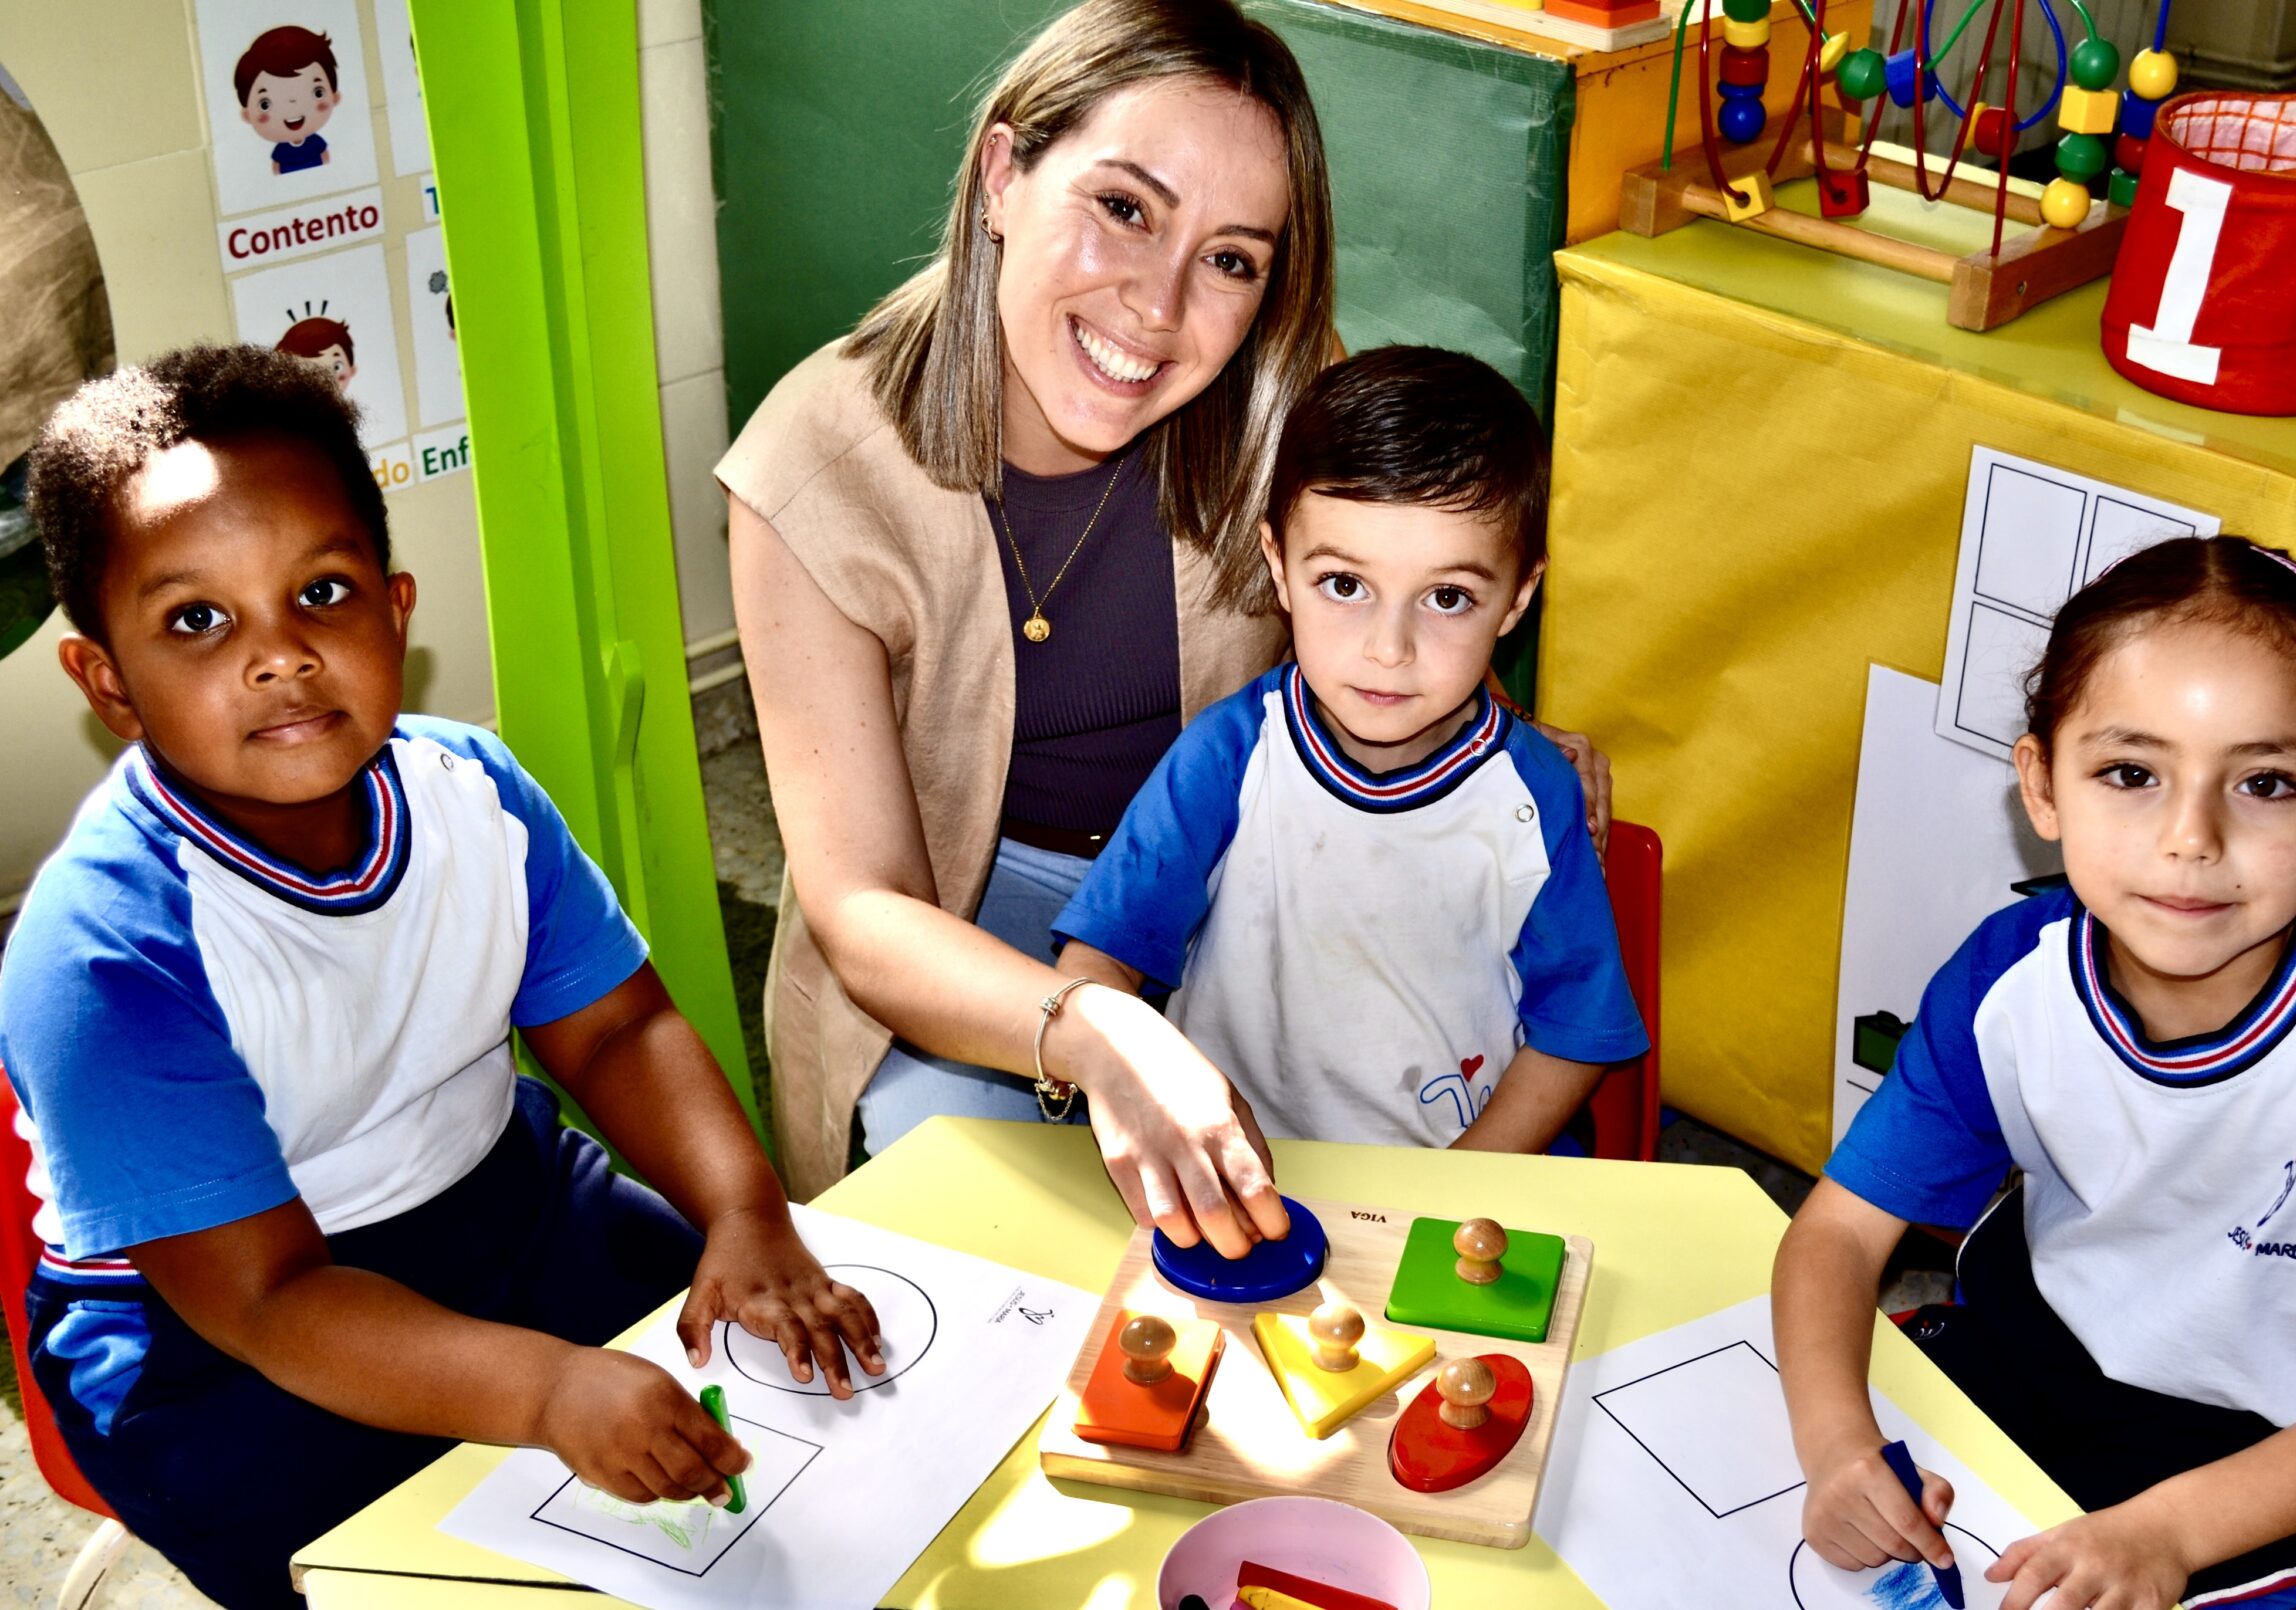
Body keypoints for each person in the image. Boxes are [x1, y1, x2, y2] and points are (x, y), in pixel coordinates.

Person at [3, 345, 884, 1610]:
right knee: (436, 1578)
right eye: (197, 619)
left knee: (787, 1416)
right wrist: (539, 1385)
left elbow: (618, 1030)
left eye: (322, 592)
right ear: (108, 684)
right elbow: (266, 1297)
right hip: (215, 1333)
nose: (280, 656)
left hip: (504, 1200)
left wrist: (746, 1209)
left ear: (397, 608)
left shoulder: (473, 790)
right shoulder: (102, 955)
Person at [720, 0, 1615, 1234]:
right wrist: (1092, 1030)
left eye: (1233, 258)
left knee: (1310, 1219)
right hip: (956, 940)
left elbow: (1389, 574)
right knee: (1010, 1259)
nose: (1157, 304)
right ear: (1000, 174)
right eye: (1124, 208)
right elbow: (864, 908)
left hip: (1238, 875)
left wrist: (1499, 732)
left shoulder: (1280, 395)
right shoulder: (813, 467)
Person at [1772, 537, 2296, 1610]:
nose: (2191, 838)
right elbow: (1836, 1233)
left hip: (2270, 1449)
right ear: (2040, 782)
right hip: (2031, 1350)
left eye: (2265, 782)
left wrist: (2167, 1531)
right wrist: (1835, 1446)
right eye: (2131, 772)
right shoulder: (2008, 975)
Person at [1053, 347, 1644, 1151]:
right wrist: (1161, 1103)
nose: (1388, 649)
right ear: (1279, 568)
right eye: (1344, 584)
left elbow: (1577, 1033)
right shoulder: (1226, 760)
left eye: (1447, 598)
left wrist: (1454, 1186)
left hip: (1465, 1180)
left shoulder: (1533, 795)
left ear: (1519, 599)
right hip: (1245, 1169)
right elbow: (1095, 969)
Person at [232, 25, 340, 176]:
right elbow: (276, 167)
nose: (292, 104)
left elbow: (325, 156)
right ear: (247, 115)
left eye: (318, 92)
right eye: (265, 104)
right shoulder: (281, 150)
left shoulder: (315, 141)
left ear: (335, 97)